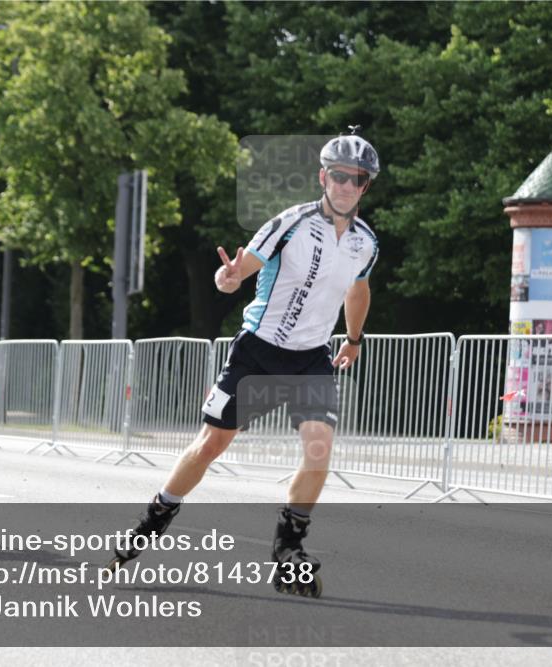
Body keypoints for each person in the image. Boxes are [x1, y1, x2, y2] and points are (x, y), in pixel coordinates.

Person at [109, 127, 380, 597]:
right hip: (259, 351)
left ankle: (288, 548)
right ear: (323, 176)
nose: (345, 185)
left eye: (356, 179)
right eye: (338, 175)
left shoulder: (365, 242)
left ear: (365, 187)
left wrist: (354, 339)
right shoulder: (290, 223)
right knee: (211, 446)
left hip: (311, 358)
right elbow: (241, 267)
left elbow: (358, 289)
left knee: (319, 449)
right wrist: (228, 278)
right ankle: (151, 521)